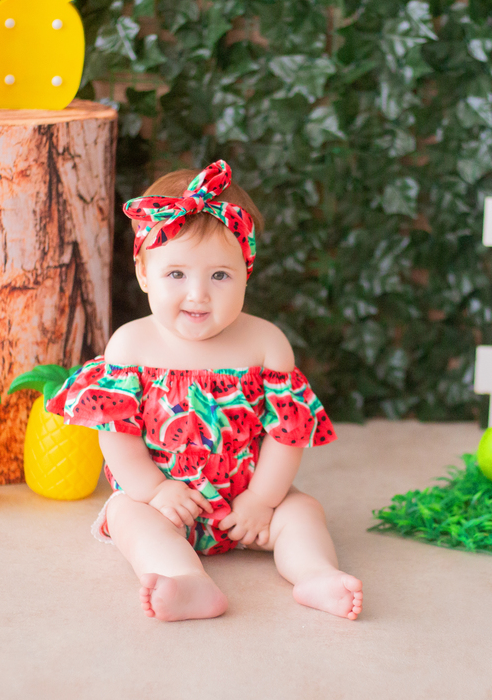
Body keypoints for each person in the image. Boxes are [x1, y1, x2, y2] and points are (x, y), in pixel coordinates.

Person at [48, 161, 361, 621]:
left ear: (246, 273)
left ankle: (314, 573)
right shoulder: (131, 345)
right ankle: (187, 581)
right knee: (126, 516)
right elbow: (116, 436)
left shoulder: (266, 344)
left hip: (247, 506)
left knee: (303, 510)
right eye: (176, 274)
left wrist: (261, 500)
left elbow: (286, 434)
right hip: (166, 505)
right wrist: (154, 491)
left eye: (220, 276)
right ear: (143, 273)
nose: (198, 294)